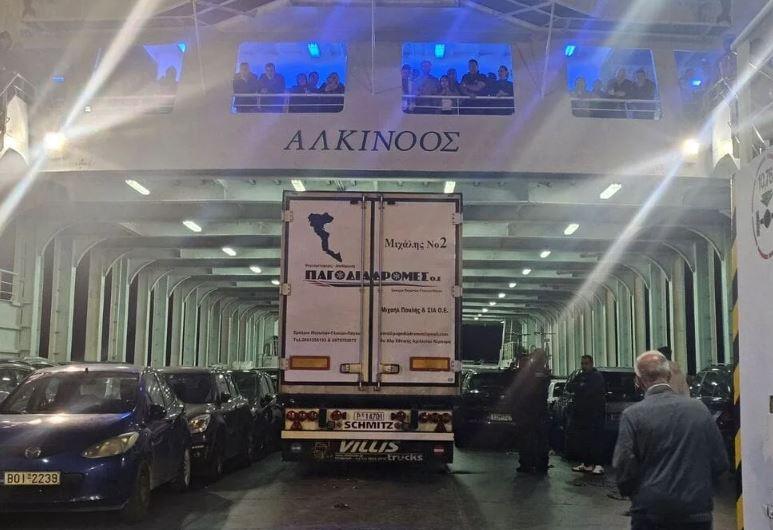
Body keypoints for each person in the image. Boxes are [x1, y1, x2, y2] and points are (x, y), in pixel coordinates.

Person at [613, 351, 728, 530]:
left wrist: (637, 495)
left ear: (638, 381)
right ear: (668, 375)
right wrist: (698, 489)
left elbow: (624, 465)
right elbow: (720, 461)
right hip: (696, 513)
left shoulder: (633, 415)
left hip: (650, 513)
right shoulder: (699, 409)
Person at [511, 349, 551, 475]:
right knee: (539, 440)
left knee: (527, 440)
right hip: (538, 412)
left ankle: (528, 464)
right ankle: (539, 465)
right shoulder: (544, 372)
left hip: (529, 411)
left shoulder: (532, 372)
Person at [568, 355, 607, 475]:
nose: (584, 366)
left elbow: (590, 391)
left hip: (594, 413)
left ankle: (598, 464)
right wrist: (580, 387)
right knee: (584, 440)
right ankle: (586, 464)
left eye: (586, 363)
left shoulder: (597, 376)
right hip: (582, 414)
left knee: (596, 439)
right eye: (582, 363)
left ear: (591, 364)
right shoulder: (580, 376)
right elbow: (570, 386)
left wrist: (580, 388)